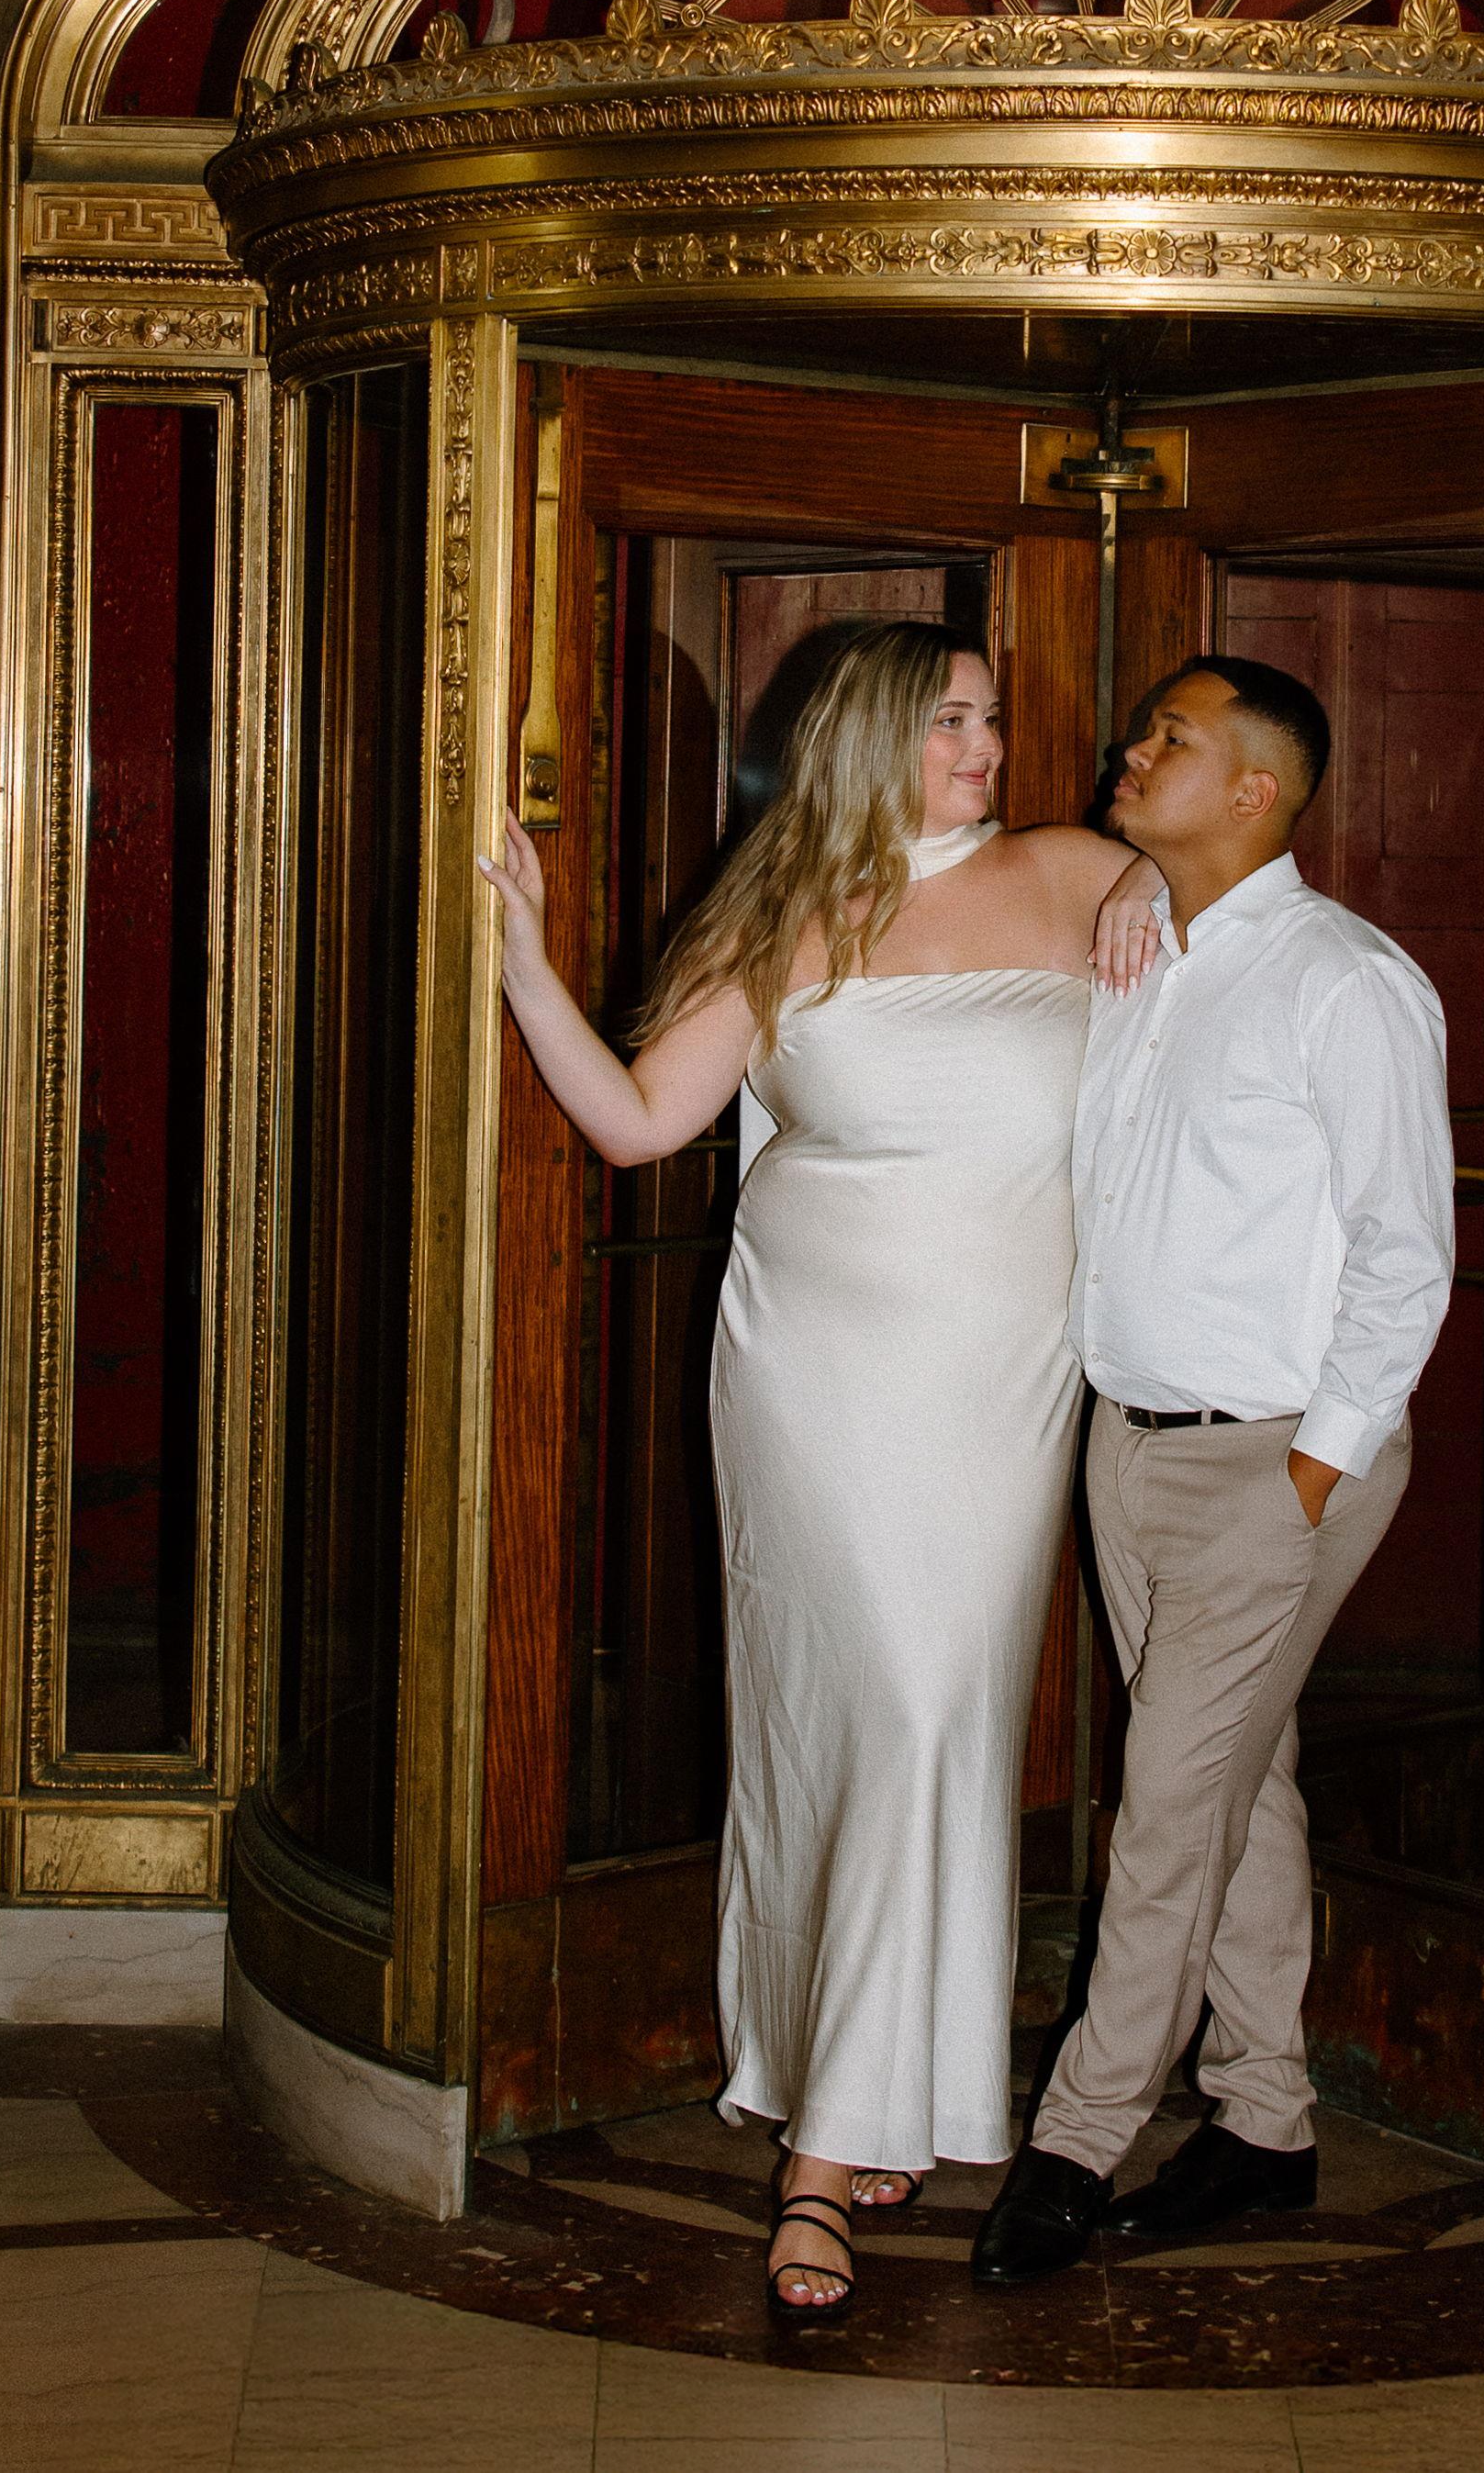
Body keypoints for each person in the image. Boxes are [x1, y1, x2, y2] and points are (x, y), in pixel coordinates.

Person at [478, 621, 1135, 2321]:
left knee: (934, 1715)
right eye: (950, 722)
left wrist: (1163, 885)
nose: (986, 748)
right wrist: (530, 966)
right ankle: (830, 2148)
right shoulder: (780, 912)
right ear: (865, 738)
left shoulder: (1078, 875)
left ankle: (871, 2086)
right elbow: (642, 1122)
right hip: (813, 1377)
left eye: (992, 718)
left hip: (999, 1380)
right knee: (844, 1720)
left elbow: (1222, 969)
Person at [971, 655, 1456, 2287]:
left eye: (1169, 738)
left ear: (1254, 788)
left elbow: (1406, 1254)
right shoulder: (1143, 951)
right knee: (1242, 1786)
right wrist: (1132, 883)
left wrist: (1312, 1475)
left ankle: (1075, 2144)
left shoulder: (1347, 981)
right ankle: (1264, 2123)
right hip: (1130, 1446)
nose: (1131, 748)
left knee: (1169, 1815)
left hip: (1271, 1463)